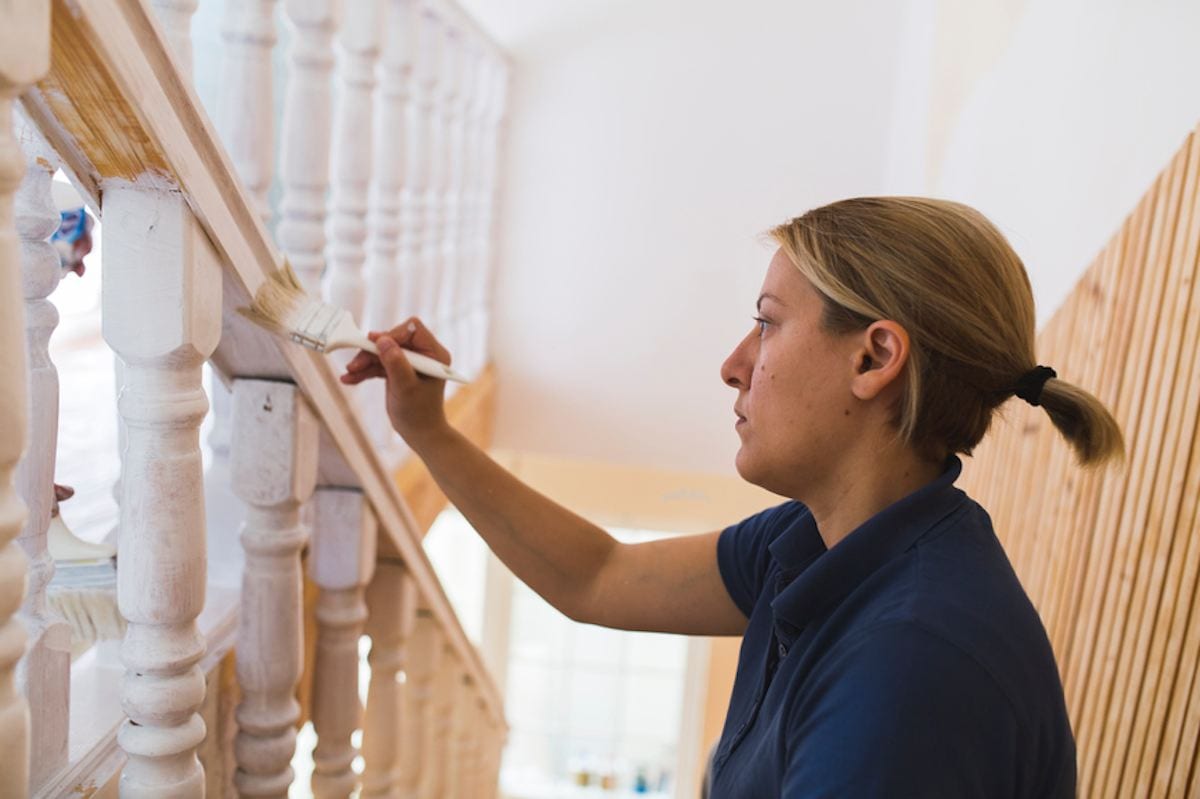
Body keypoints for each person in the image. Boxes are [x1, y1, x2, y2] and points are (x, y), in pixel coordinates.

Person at [341, 196, 1123, 797]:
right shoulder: (822, 540)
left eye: (768, 324)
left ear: (875, 356)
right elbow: (597, 574)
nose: (733, 363)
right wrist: (430, 432)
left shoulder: (907, 669)